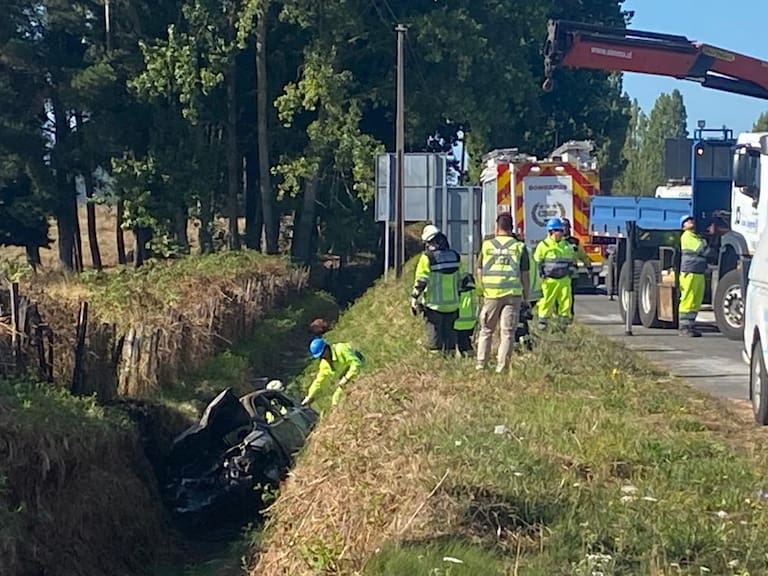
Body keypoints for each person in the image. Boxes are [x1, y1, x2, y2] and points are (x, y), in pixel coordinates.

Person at [475, 213, 530, 373]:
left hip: (491, 293)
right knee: (507, 333)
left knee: (486, 330)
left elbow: (479, 269)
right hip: (513, 294)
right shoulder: (519, 247)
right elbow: (525, 275)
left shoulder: (487, 245)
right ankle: (502, 368)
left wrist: (481, 288)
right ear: (512, 228)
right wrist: (526, 296)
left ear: (496, 227)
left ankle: (481, 365)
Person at [411, 224, 463, 354]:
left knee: (434, 342)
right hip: (453, 305)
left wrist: (414, 298)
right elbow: (462, 279)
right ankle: (449, 366)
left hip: (434, 306)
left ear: (429, 242)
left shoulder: (427, 258)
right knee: (450, 340)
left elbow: (421, 281)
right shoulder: (455, 256)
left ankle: (436, 366)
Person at [533, 217, 576, 330]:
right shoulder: (543, 246)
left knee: (566, 302)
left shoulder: (566, 246)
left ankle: (563, 326)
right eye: (559, 231)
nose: (562, 233)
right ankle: (543, 324)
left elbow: (572, 261)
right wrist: (539, 277)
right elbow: (537, 263)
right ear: (551, 231)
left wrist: (571, 271)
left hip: (564, 280)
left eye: (562, 230)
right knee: (546, 302)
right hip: (548, 280)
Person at [302, 337, 364, 407]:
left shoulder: (341, 349)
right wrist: (309, 396)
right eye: (320, 356)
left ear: (326, 348)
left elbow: (357, 363)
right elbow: (318, 381)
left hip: (361, 370)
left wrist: (347, 378)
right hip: (346, 378)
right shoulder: (324, 364)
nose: (323, 357)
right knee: (336, 400)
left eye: (323, 354)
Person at [679, 214, 710, 338]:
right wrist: (708, 237)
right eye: (686, 221)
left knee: (696, 301)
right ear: (683, 227)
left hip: (698, 272)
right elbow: (702, 249)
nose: (690, 221)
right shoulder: (686, 237)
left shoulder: (695, 236)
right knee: (688, 300)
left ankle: (690, 326)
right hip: (689, 273)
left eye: (691, 219)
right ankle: (684, 327)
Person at [562, 217, 592, 317]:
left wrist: (589, 267)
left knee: (570, 296)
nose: (565, 229)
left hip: (572, 274)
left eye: (566, 227)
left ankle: (570, 315)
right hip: (559, 274)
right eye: (563, 227)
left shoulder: (575, 242)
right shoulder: (556, 242)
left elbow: (583, 256)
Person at [454, 273, 479, 356]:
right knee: (466, 343)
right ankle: (469, 354)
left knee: (458, 342)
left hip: (458, 323)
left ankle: (461, 355)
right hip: (471, 323)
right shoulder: (475, 292)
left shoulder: (457, 293)